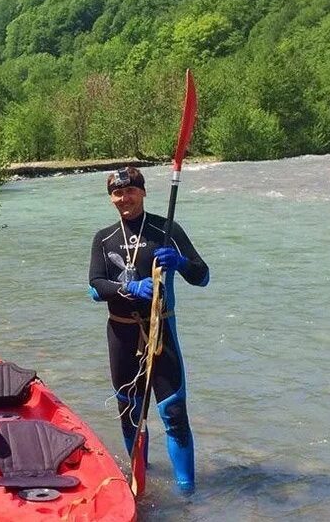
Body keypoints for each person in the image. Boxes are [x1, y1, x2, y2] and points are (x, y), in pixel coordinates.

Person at [88, 167, 209, 494]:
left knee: (173, 413)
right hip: (122, 336)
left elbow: (203, 276)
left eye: (130, 191)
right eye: (117, 193)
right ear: (111, 197)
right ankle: (139, 487)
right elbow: (95, 284)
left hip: (162, 334)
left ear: (142, 192)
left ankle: (187, 496)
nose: (123, 198)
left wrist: (182, 264)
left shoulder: (166, 229)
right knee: (130, 414)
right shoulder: (103, 238)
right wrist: (129, 288)